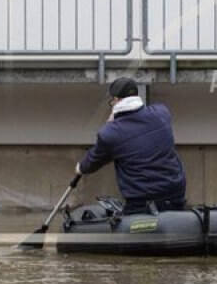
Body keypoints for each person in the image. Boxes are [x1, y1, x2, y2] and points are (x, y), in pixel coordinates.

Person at [76, 77, 187, 214]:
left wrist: (80, 168)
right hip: (175, 193)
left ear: (116, 100)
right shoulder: (162, 113)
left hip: (142, 201)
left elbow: (91, 163)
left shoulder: (110, 133)